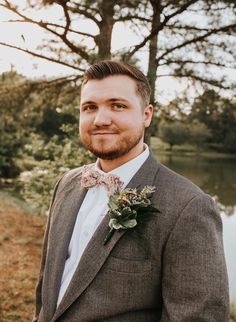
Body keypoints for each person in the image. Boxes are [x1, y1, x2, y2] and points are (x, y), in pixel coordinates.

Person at [33, 60, 229, 322]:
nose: (101, 119)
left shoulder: (190, 206)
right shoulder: (66, 184)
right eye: (90, 107)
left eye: (118, 105)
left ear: (146, 115)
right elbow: (47, 284)